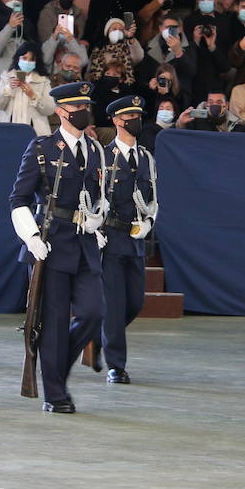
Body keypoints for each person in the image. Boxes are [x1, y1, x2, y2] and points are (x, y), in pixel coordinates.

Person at [8, 81, 107, 413]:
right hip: (50, 243)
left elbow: (100, 197)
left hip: (85, 243)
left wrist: (98, 219)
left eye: (85, 107)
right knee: (52, 322)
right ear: (61, 112)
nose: (83, 112)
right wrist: (31, 236)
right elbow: (19, 198)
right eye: (77, 108)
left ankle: (55, 366)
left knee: (93, 312)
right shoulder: (42, 148)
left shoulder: (95, 150)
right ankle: (55, 393)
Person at [97, 96, 158, 383]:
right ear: (117, 120)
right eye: (130, 115)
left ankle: (100, 336)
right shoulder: (103, 156)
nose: (136, 119)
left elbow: (153, 199)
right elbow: (94, 198)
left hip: (135, 239)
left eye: (138, 114)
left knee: (135, 302)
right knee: (114, 304)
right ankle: (116, 365)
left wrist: (148, 223)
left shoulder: (146, 157)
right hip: (109, 237)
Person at [0, 42, 55, 134]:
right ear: (18, 59)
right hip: (7, 130)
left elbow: (50, 109)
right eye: (24, 58)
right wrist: (8, 88)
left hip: (35, 132)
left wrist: (33, 96)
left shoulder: (43, 81)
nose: (27, 62)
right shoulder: (7, 77)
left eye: (31, 60)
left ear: (36, 61)